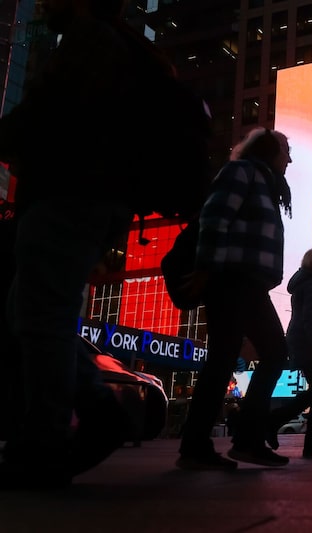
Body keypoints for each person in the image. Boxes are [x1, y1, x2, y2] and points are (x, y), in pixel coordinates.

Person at [0, 0, 169, 489]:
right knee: (30, 315)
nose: (45, 3)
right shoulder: (120, 47)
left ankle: (49, 440)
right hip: (91, 199)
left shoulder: (91, 42)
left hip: (67, 193)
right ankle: (80, 418)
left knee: (42, 319)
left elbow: (48, 117)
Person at [176, 127, 293, 470]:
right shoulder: (242, 172)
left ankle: (242, 441)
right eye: (286, 151)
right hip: (230, 278)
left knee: (263, 354)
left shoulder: (266, 183)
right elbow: (214, 219)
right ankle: (204, 445)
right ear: (269, 150)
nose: (289, 159)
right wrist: (206, 268)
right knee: (230, 357)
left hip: (250, 283)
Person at [261, 248, 312, 458]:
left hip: (304, 341)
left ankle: (311, 441)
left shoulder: (308, 282)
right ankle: (276, 421)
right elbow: (309, 318)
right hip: (310, 343)